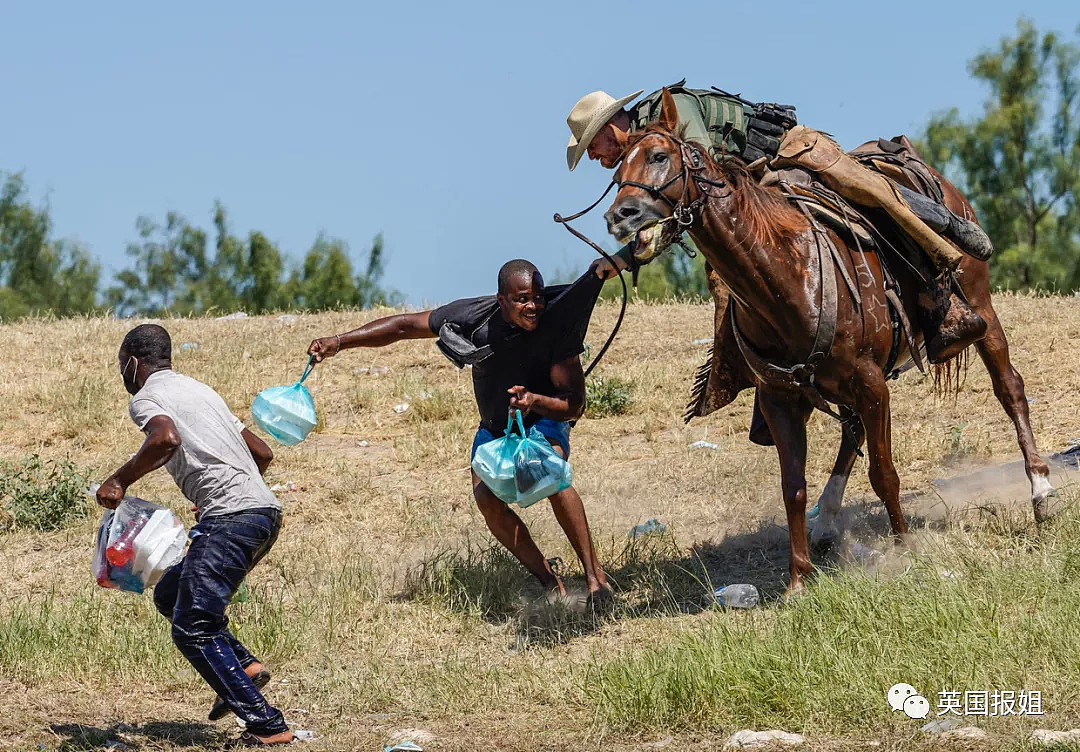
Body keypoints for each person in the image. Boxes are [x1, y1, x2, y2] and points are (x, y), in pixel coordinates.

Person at [565, 80, 997, 433]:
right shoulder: (642, 157)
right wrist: (623, 258)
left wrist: (630, 252)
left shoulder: (671, 110)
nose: (596, 157)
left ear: (610, 127)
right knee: (732, 279)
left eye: (593, 147)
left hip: (789, 156)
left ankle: (943, 274)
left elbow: (703, 181)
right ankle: (769, 375)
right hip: (754, 191)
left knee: (871, 195)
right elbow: (674, 210)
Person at [307, 260, 612, 605]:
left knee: (549, 472)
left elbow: (574, 405)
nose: (533, 307)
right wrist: (339, 341)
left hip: (542, 418)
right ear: (501, 300)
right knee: (487, 500)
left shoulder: (557, 324)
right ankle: (549, 583)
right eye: (523, 299)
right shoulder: (473, 316)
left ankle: (595, 579)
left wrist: (535, 400)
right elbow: (406, 326)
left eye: (538, 298)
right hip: (495, 429)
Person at [96, 324, 294, 748]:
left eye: (121, 365)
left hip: (232, 518)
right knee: (170, 594)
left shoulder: (148, 397)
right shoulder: (201, 391)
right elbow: (262, 452)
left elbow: (164, 438)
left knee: (193, 626)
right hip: (264, 513)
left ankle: (267, 726)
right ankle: (244, 667)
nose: (122, 374)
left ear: (133, 362)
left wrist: (120, 480)